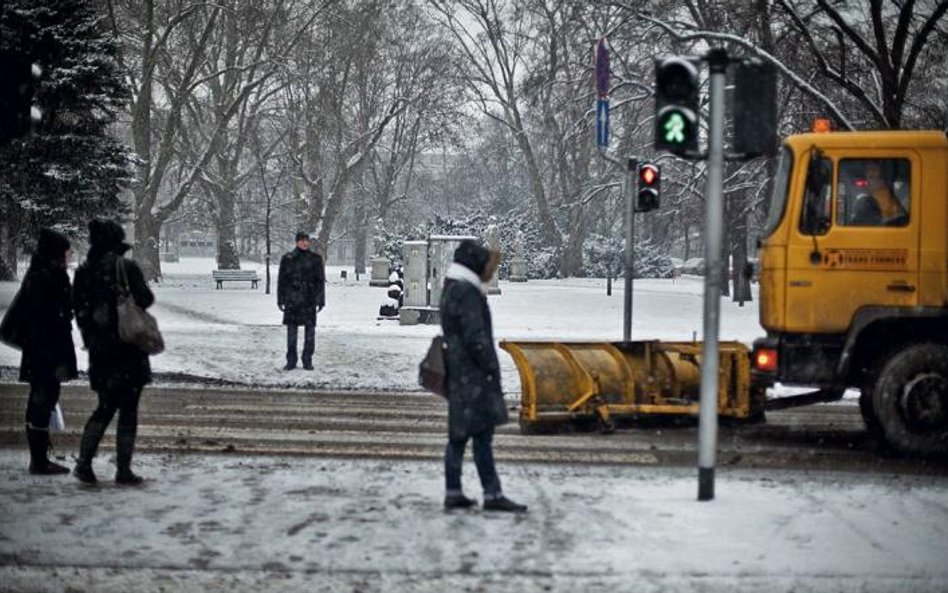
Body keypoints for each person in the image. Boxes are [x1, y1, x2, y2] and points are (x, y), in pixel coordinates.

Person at [440, 239, 526, 513]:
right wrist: (490, 367)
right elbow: (476, 337)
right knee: (481, 436)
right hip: (474, 375)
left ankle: (454, 491)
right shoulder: (467, 292)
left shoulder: (452, 287)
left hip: (459, 372)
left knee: (459, 436)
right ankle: (492, 493)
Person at [72, 219, 155, 485]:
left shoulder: (84, 272)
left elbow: (79, 311)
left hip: (101, 351)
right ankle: (123, 469)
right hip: (128, 348)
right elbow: (146, 298)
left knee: (105, 407)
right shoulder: (126, 268)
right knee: (128, 410)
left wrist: (95, 334)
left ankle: (84, 462)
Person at [1, 229, 78, 474]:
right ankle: (39, 460)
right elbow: (49, 317)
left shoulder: (44, 274)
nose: (68, 256)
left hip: (43, 350)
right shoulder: (47, 277)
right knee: (42, 401)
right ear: (56, 254)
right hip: (46, 351)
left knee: (43, 400)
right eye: (65, 252)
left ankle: (40, 455)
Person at [277, 231, 325, 370]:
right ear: (297, 242)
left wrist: (320, 299)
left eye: (306, 240)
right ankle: (291, 360)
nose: (305, 243)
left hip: (309, 300)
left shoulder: (315, 259)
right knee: (292, 332)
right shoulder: (288, 259)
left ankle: (307, 360)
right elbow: (282, 281)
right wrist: (281, 299)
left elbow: (320, 281)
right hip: (293, 300)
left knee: (310, 333)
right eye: (302, 240)